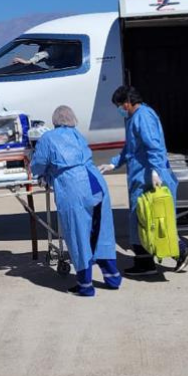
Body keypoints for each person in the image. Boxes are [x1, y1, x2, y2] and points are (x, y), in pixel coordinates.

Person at [99, 85, 188, 276]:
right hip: (141, 179)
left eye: (119, 105)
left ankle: (177, 252)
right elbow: (130, 149)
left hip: (150, 180)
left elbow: (154, 146)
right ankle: (147, 263)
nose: (119, 109)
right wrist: (113, 164)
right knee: (144, 222)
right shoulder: (133, 118)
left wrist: (155, 171)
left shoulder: (143, 116)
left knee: (153, 221)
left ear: (127, 102)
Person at [31, 106, 122, 297]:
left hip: (73, 187)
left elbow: (39, 164)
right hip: (96, 182)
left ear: (55, 120)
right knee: (101, 232)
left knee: (78, 234)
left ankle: (85, 285)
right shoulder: (78, 135)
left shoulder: (48, 138)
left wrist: (41, 174)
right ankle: (113, 277)